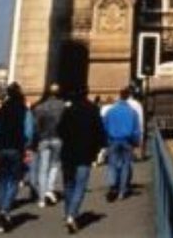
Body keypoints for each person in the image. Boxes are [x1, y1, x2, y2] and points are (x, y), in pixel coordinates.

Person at [57, 87, 105, 234]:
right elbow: (99, 131)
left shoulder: (69, 110)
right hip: (85, 154)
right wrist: (98, 148)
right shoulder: (92, 109)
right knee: (80, 186)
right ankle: (72, 214)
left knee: (68, 185)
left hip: (68, 154)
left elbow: (60, 130)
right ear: (87, 94)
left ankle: (68, 214)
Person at [0, 83, 35, 234]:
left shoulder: (1, 110)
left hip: (2, 148)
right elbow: (29, 132)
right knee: (13, 180)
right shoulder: (24, 110)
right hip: (16, 149)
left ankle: (0, 209)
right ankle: (5, 209)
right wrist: (27, 147)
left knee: (2, 181)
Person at [103, 87, 141, 201]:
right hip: (127, 141)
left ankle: (113, 185)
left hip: (113, 140)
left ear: (119, 96)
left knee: (112, 164)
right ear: (128, 97)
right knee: (125, 166)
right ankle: (122, 191)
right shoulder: (132, 112)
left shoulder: (111, 111)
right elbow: (136, 130)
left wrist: (105, 141)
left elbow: (104, 126)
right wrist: (137, 142)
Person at [32, 83, 65, 207]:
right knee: (55, 165)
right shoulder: (63, 106)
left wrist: (37, 137)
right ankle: (49, 189)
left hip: (43, 139)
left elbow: (36, 126)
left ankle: (41, 198)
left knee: (43, 168)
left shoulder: (40, 107)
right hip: (58, 138)